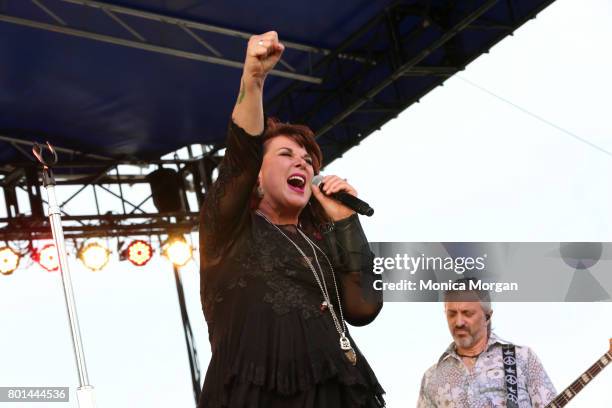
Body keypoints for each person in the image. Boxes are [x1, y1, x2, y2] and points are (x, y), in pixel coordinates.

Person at [198, 31, 385, 408]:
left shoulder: (319, 241)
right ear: (257, 179)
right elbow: (240, 156)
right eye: (286, 154)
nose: (303, 162)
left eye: (308, 159)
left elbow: (364, 308)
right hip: (257, 394)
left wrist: (346, 221)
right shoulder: (229, 231)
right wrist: (253, 80)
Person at [417, 278, 556, 407]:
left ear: (487, 316)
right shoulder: (431, 377)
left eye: (467, 313)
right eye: (452, 314)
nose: (458, 322)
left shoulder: (522, 358)